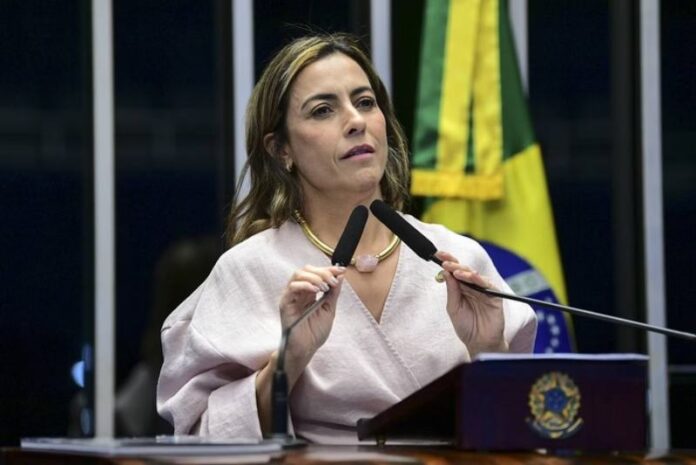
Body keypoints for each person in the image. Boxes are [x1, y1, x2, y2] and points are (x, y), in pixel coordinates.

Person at [156, 33, 537, 443]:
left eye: (366, 102)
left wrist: (489, 350)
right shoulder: (248, 270)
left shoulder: (461, 256)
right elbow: (202, 436)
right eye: (323, 110)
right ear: (281, 149)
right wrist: (289, 359)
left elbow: (527, 428)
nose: (356, 121)